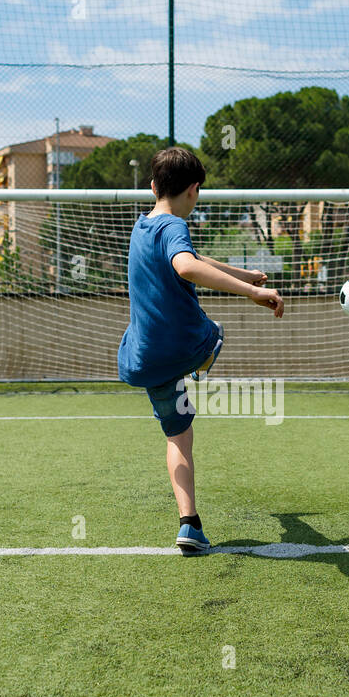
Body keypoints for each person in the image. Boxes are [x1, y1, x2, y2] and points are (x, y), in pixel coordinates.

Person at [117, 148, 283, 555]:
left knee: (179, 437)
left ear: (153, 186)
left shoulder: (143, 227)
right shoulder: (175, 225)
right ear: (194, 190)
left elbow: (192, 256)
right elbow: (187, 265)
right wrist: (253, 291)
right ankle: (203, 358)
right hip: (183, 345)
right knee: (214, 333)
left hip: (145, 359)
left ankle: (188, 524)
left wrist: (240, 272)